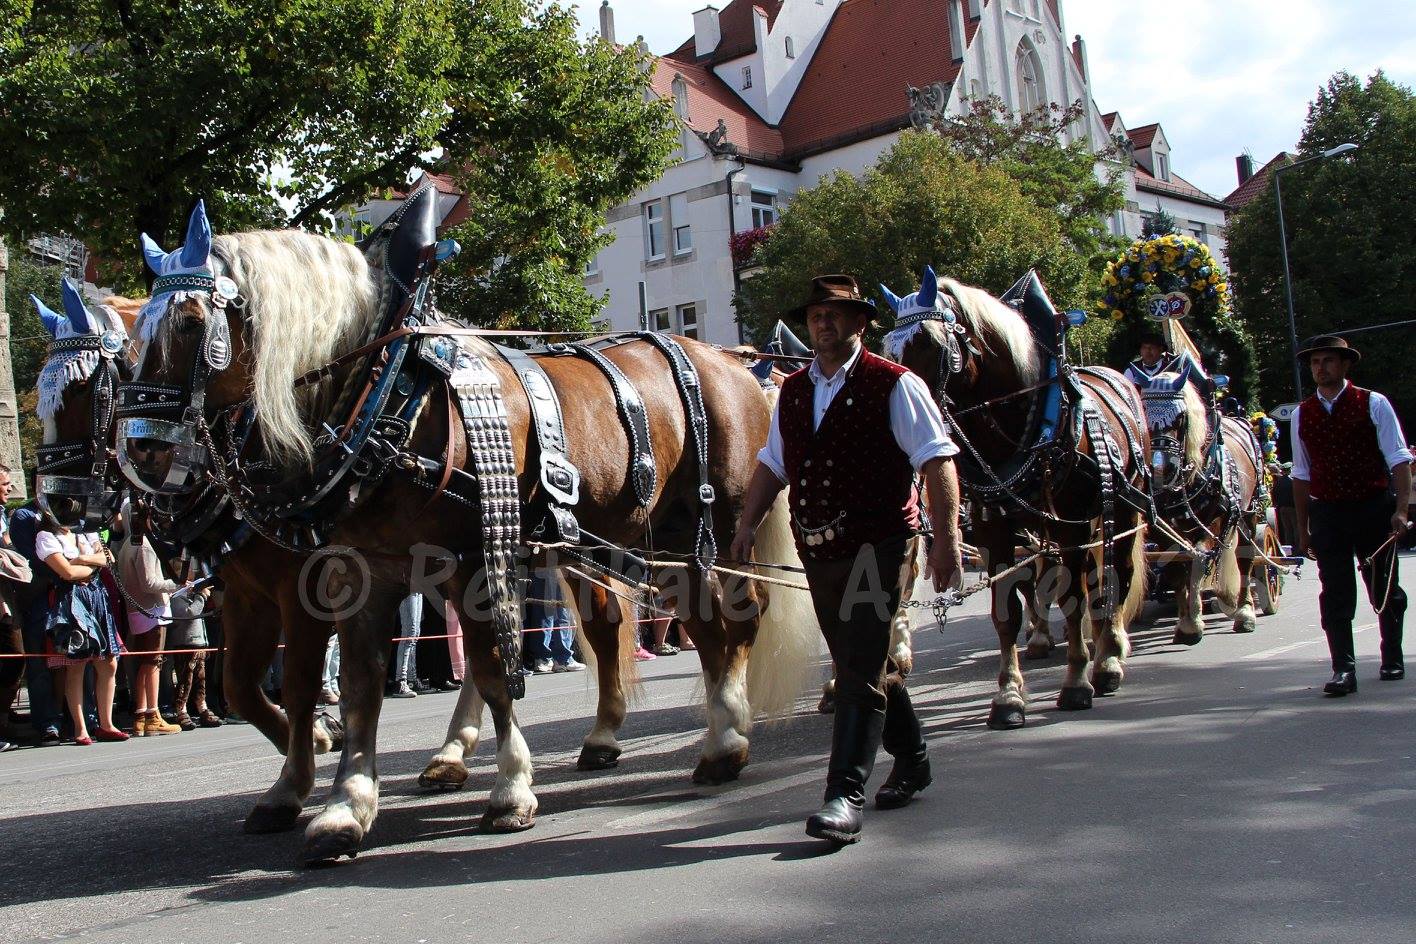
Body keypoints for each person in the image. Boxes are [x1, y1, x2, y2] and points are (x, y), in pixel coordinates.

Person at [730, 274, 962, 846]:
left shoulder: (897, 385)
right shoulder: (794, 392)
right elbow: (773, 464)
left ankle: (843, 795)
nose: (822, 324)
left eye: (834, 314)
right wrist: (746, 523)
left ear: (860, 322)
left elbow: (937, 461)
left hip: (879, 546)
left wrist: (947, 540)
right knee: (864, 659)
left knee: (856, 667)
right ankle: (915, 758)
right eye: (815, 316)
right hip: (818, 548)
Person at [1290, 335, 1411, 696]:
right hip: (1328, 512)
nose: (1320, 368)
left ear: (1344, 366)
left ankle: (1391, 654)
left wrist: (1401, 509)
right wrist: (1304, 527)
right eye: (1315, 363)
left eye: (1328, 361)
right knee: (1335, 592)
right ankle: (1343, 668)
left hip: (1372, 507)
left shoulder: (1373, 403)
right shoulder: (1302, 413)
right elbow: (1301, 473)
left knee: (1383, 586)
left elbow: (1399, 459)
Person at [36, 497, 127, 744]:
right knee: (76, 664)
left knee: (109, 662)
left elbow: (108, 559)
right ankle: (80, 727)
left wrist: (81, 561)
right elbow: (66, 572)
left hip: (96, 595)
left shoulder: (87, 532)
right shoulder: (46, 537)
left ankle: (106, 723)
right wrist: (91, 563)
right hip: (71, 599)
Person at [115, 502, 181, 736]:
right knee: (153, 663)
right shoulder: (143, 545)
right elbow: (150, 583)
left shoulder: (126, 546)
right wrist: (180, 585)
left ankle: (142, 714)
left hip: (138, 611)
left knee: (146, 663)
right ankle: (152, 714)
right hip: (151, 611)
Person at [8, 483, 63, 745]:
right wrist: (65, 567)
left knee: (74, 660)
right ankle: (47, 723)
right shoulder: (24, 516)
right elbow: (34, 561)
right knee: (39, 663)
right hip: (38, 597)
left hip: (65, 592)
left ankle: (79, 718)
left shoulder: (69, 513)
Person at [169, 562, 220, 729]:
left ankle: (202, 706)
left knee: (201, 678)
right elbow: (190, 613)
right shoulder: (177, 596)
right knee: (185, 679)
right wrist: (202, 597)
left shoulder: (192, 593)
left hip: (199, 643)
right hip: (185, 643)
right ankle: (181, 709)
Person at [523, 569, 584, 674]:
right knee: (560, 610)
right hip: (553, 565)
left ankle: (544, 658)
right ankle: (561, 659)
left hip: (537, 565)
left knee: (543, 611)